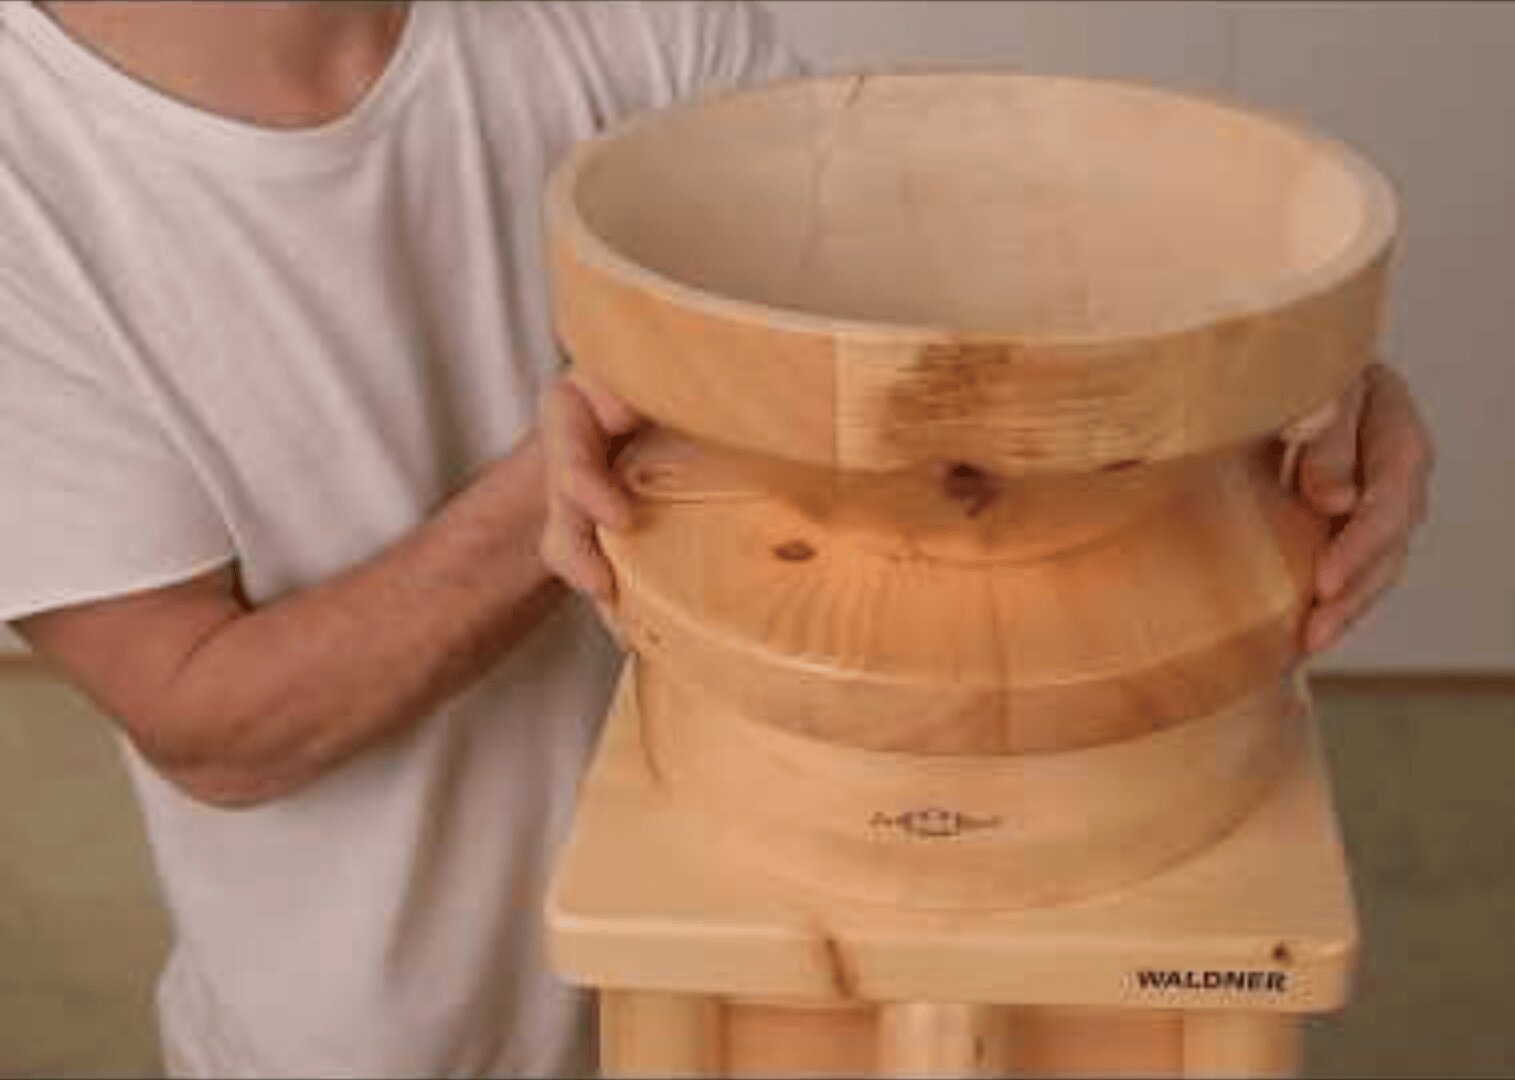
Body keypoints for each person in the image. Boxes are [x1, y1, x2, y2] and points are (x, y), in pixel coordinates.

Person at [0, 1, 1433, 1076]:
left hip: (773, 996)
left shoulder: (618, 13)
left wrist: (1270, 394)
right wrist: (599, 454)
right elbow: (216, 722)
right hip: (385, 1044)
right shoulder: (28, 168)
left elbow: (912, 294)